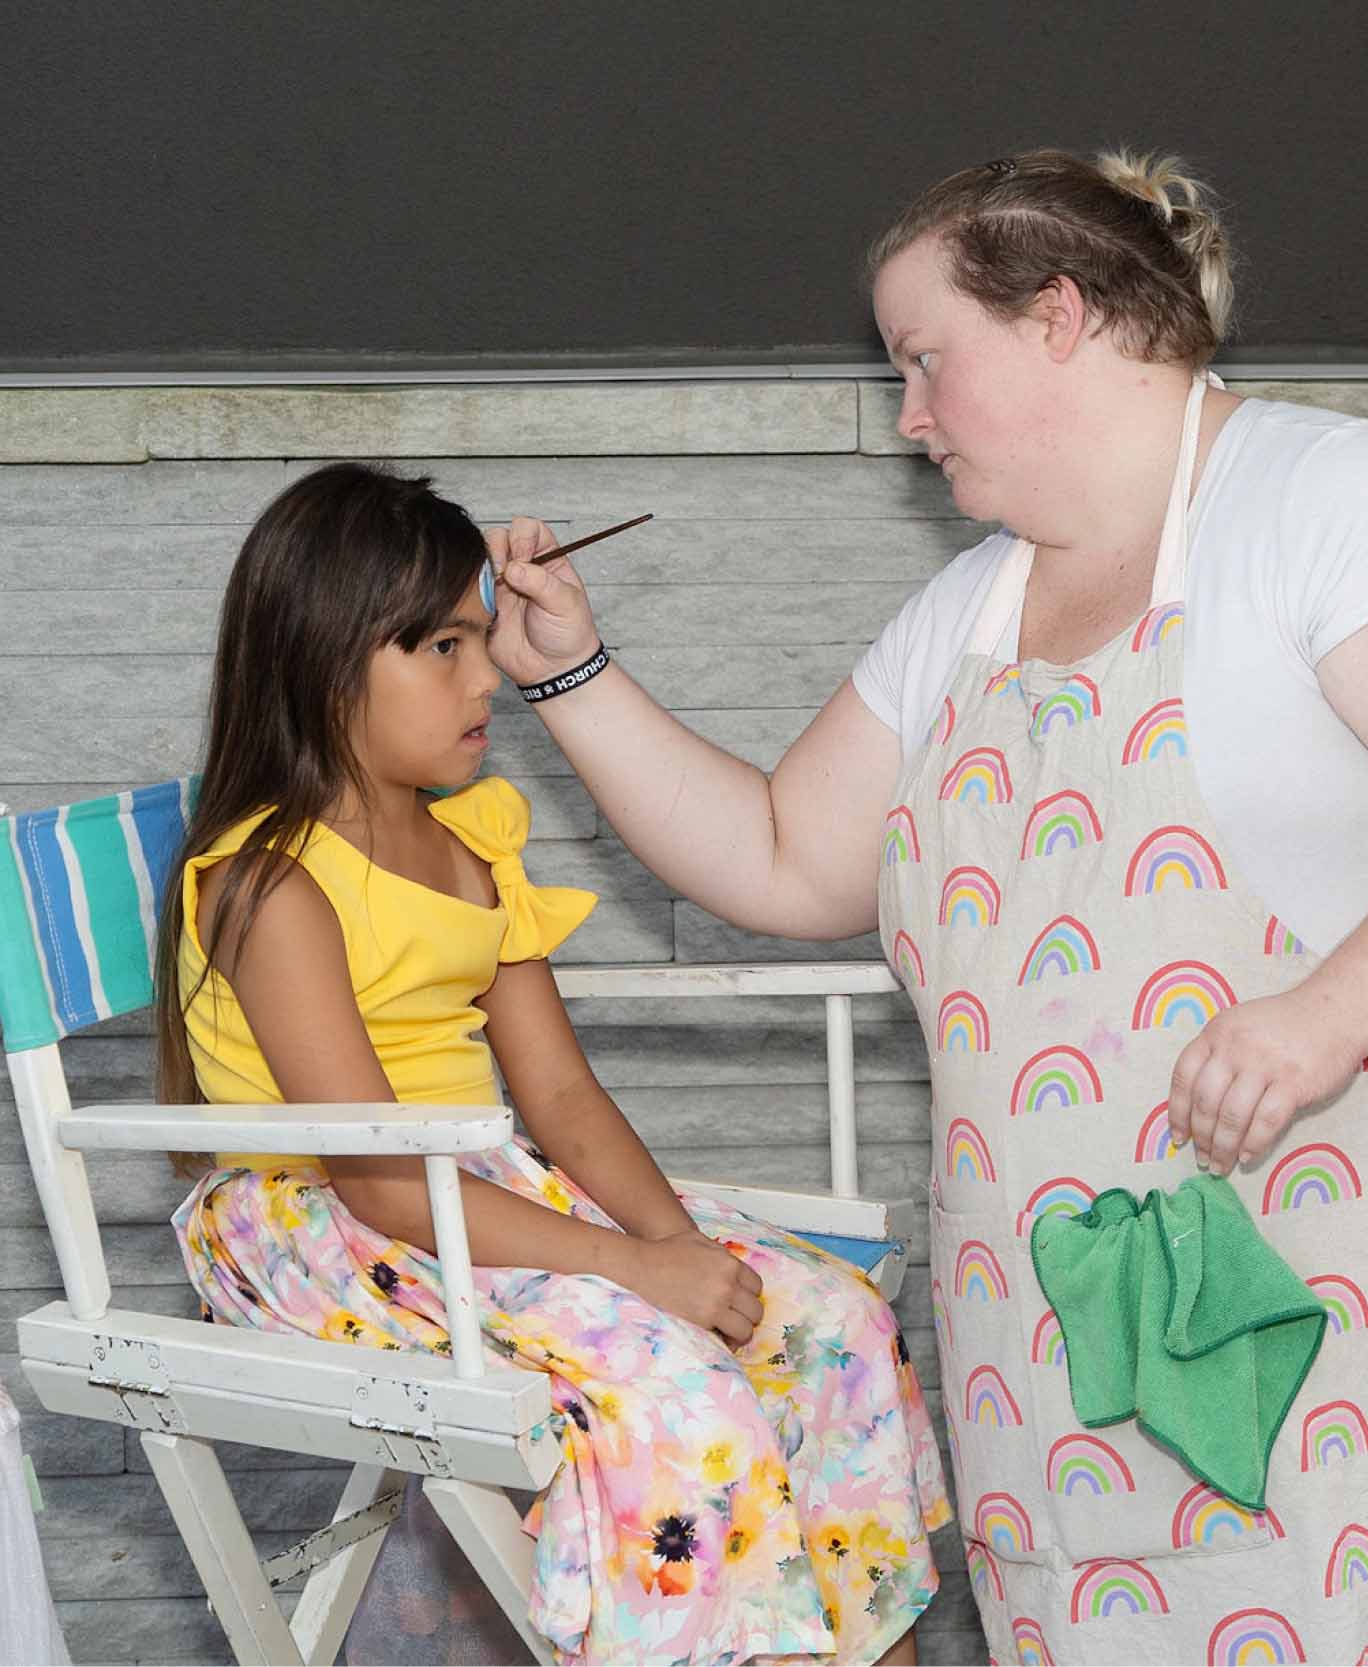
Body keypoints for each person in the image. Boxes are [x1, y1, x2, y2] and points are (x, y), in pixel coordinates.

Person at [484, 149, 1368, 1665]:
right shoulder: (963, 611)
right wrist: (569, 672)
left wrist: (1321, 1018)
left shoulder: (1331, 498)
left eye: (920, 361)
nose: (905, 415)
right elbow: (782, 853)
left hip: (1366, 1298)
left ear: (1058, 319)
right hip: (1057, 1346)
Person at [153, 463, 947, 1667]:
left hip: (484, 1191)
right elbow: (373, 1179)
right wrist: (637, 1270)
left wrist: (677, 1248)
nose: (486, 678)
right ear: (325, 660)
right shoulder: (275, 881)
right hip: (329, 1210)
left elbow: (563, 1098)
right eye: (444, 646)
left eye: (483, 639)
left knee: (824, 1317)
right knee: (673, 1381)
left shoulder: (472, 841)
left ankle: (870, 1649)